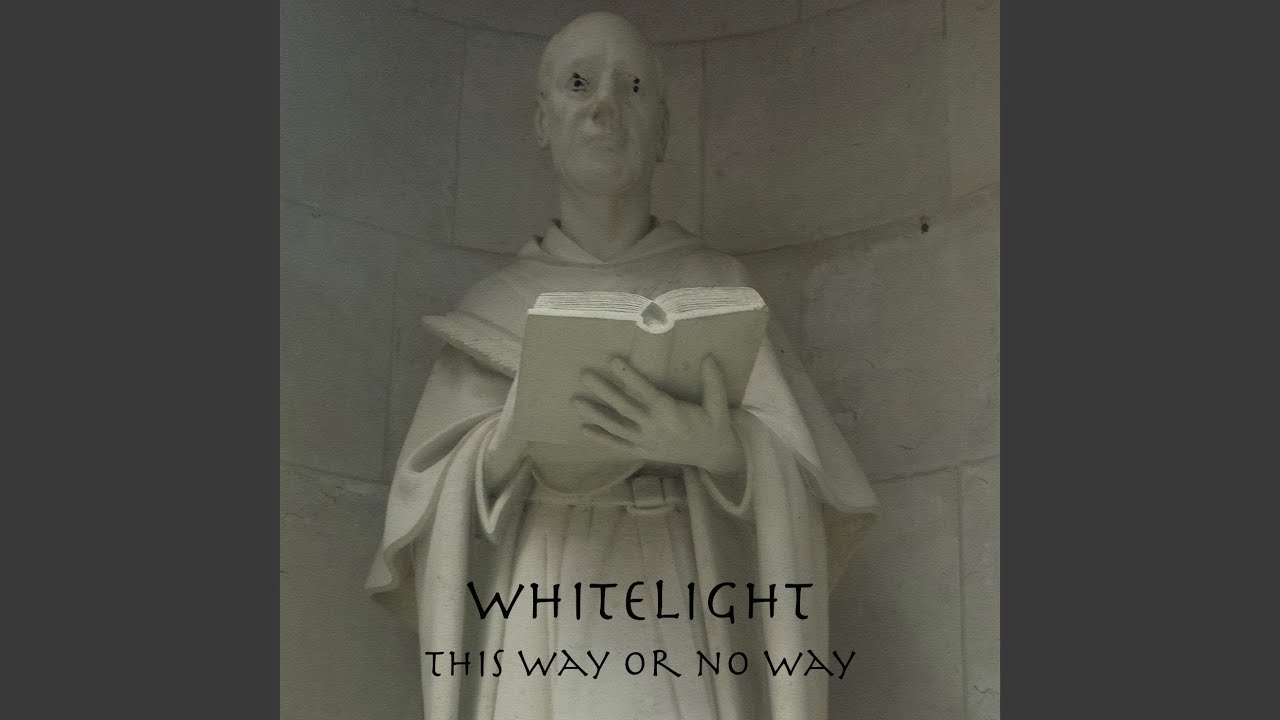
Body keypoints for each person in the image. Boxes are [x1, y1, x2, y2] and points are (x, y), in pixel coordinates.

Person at [366, 12, 878, 719]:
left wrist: (724, 452)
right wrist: (506, 443)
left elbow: (817, 497)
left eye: (633, 86)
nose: (604, 106)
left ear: (662, 129)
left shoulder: (719, 286)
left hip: (685, 591)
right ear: (542, 120)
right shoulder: (491, 308)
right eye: (579, 83)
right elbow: (420, 520)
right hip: (541, 598)